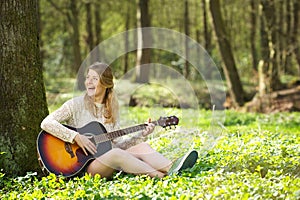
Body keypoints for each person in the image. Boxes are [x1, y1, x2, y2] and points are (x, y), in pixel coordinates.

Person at [40, 62, 198, 179]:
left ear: (106, 83)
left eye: (94, 79)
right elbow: (46, 123)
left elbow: (118, 145)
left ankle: (173, 167)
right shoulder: (74, 105)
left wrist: (142, 134)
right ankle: (161, 177)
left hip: (105, 160)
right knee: (116, 154)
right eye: (88, 78)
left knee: (141, 146)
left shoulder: (111, 111)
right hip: (81, 168)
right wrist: (75, 137)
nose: (88, 82)